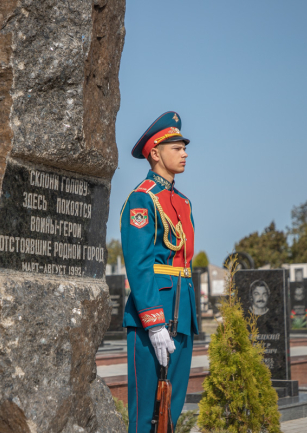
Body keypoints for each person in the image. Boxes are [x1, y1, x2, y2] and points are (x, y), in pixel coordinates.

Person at [120, 111, 198, 432]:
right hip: (153, 316)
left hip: (183, 312)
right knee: (146, 417)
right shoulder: (143, 199)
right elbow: (139, 265)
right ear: (155, 153)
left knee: (170, 414)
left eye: (184, 147)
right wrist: (154, 324)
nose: (184, 153)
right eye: (176, 148)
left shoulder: (183, 202)